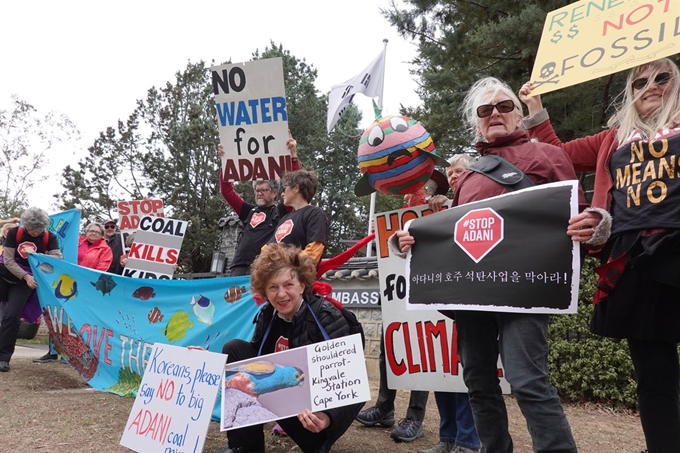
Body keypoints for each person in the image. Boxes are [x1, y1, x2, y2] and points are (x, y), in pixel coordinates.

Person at [397, 77, 588, 453]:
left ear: (518, 114)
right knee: (479, 382)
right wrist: (411, 240)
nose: (495, 114)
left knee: (527, 380)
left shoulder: (549, 155)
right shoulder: (466, 176)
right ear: (477, 122)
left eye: (504, 106)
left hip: (525, 288)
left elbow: (577, 212)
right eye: (486, 110)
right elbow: (452, 234)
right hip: (474, 294)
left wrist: (591, 224)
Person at [519, 57, 680, 453]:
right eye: (639, 81)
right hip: (634, 257)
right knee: (654, 373)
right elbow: (557, 155)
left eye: (663, 77)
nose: (651, 86)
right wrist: (535, 109)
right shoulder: (614, 135)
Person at [219, 244, 363, 453]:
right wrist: (207, 359)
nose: (281, 294)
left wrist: (329, 416)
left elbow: (351, 377)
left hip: (315, 414)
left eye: (288, 284)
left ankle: (319, 442)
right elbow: (252, 362)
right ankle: (245, 447)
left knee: (315, 432)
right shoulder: (267, 315)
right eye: (273, 287)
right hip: (284, 396)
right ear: (265, 291)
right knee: (234, 349)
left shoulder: (326, 316)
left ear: (302, 285)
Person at [355, 174, 447, 444]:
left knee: (422, 353)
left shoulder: (440, 211)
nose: (407, 198)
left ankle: (415, 417)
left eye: (414, 193)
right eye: (405, 196)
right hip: (397, 295)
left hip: (426, 294)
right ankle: (385, 407)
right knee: (389, 348)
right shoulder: (400, 219)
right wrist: (381, 232)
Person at [417, 154, 480, 453]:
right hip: (439, 299)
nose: (454, 175)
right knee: (440, 368)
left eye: (460, 170)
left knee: (465, 369)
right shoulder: (434, 207)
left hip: (468, 300)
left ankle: (468, 440)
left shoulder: (480, 200)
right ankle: (448, 437)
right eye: (450, 171)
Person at [219, 132, 300, 276]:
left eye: (264, 190)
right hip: (239, 267)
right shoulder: (248, 211)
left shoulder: (281, 210)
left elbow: (296, 187)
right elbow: (227, 191)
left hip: (265, 267)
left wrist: (293, 156)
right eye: (257, 190)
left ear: (275, 193)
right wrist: (225, 162)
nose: (259, 193)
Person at [34, 221, 114, 363]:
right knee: (57, 315)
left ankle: (70, 354)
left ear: (102, 235)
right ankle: (53, 351)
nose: (93, 233)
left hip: (85, 288)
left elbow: (102, 269)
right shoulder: (76, 242)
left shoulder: (105, 250)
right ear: (86, 232)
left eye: (96, 231)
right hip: (64, 282)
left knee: (75, 319)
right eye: (90, 231)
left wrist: (81, 277)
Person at [0, 207, 62, 372]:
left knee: (11, 317)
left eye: (39, 229)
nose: (35, 232)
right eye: (31, 229)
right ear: (25, 225)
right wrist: (25, 276)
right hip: (5, 276)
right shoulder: (15, 233)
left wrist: (35, 255)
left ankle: (3, 359)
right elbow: (8, 261)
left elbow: (58, 257)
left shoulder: (50, 237)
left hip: (25, 283)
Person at [268, 169, 328, 264]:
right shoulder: (284, 218)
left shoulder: (315, 214)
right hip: (275, 275)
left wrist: (287, 266)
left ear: (296, 188)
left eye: (284, 188)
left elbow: (314, 252)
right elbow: (268, 249)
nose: (282, 194)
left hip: (297, 276)